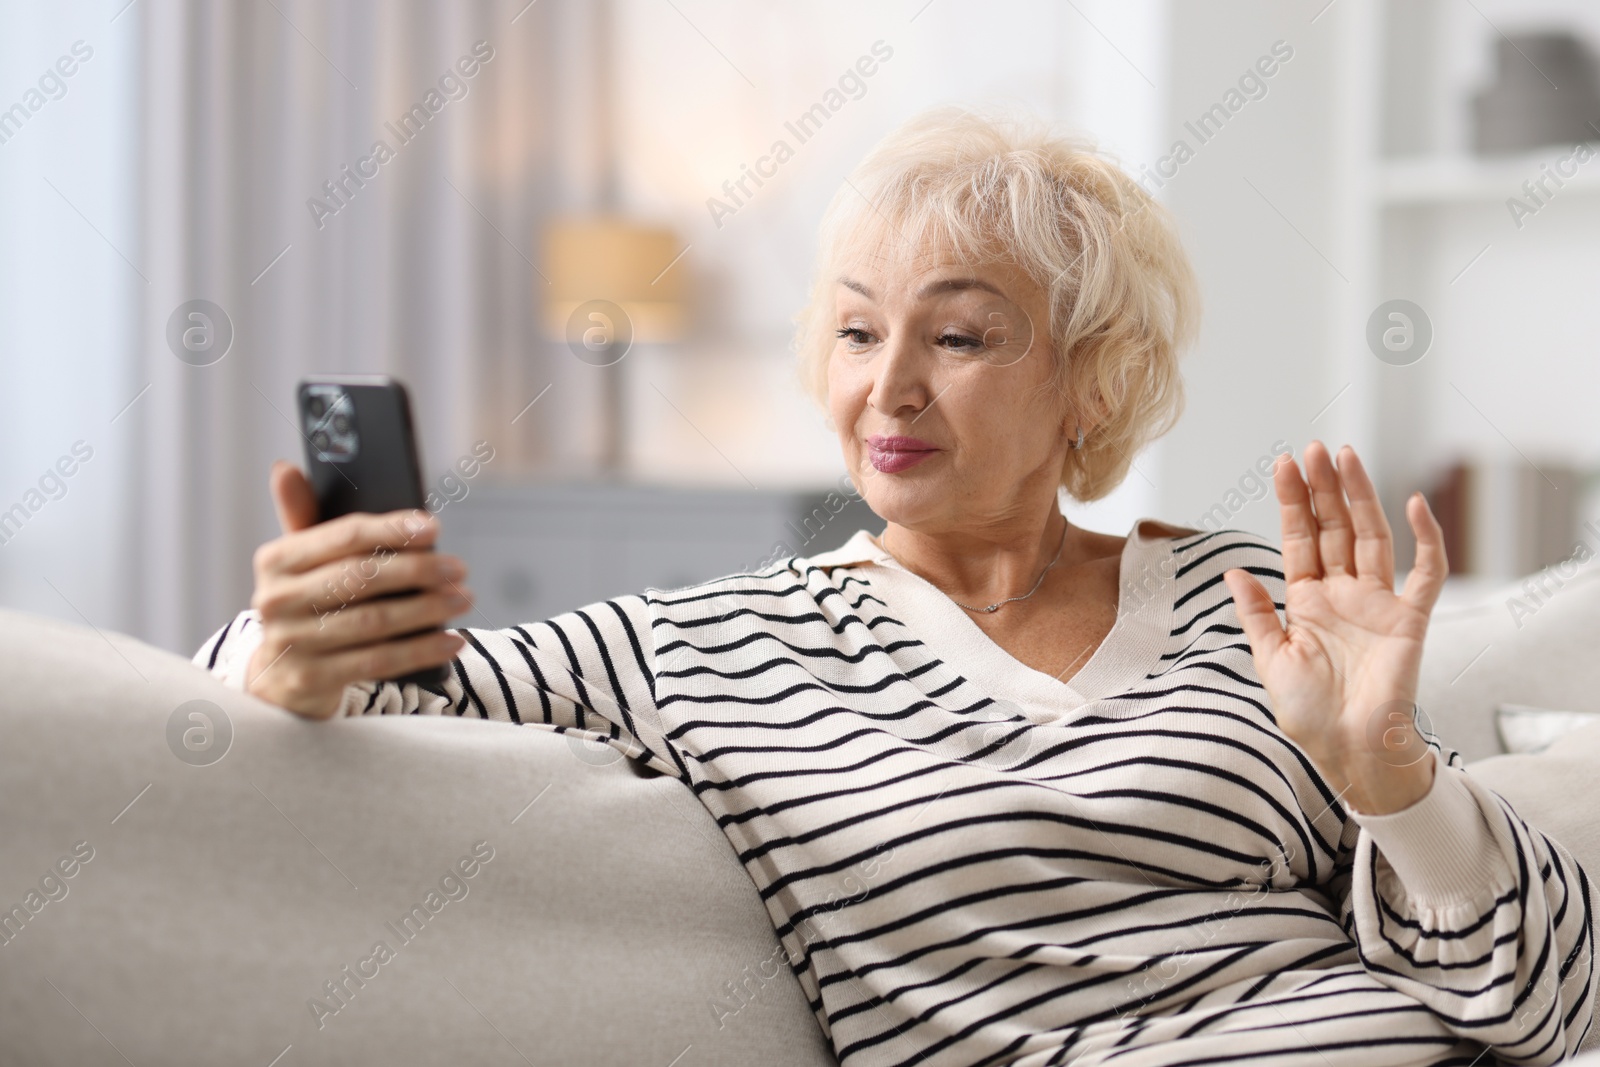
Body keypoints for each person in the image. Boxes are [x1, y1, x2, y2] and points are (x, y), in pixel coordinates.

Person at [197, 107, 1594, 1066]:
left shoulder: (1255, 604)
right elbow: (347, 684)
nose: (889, 385)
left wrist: (1391, 773)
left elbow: (1545, 1004)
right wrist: (289, 649)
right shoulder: (709, 646)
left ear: (1087, 382)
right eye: (858, 328)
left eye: (964, 334)